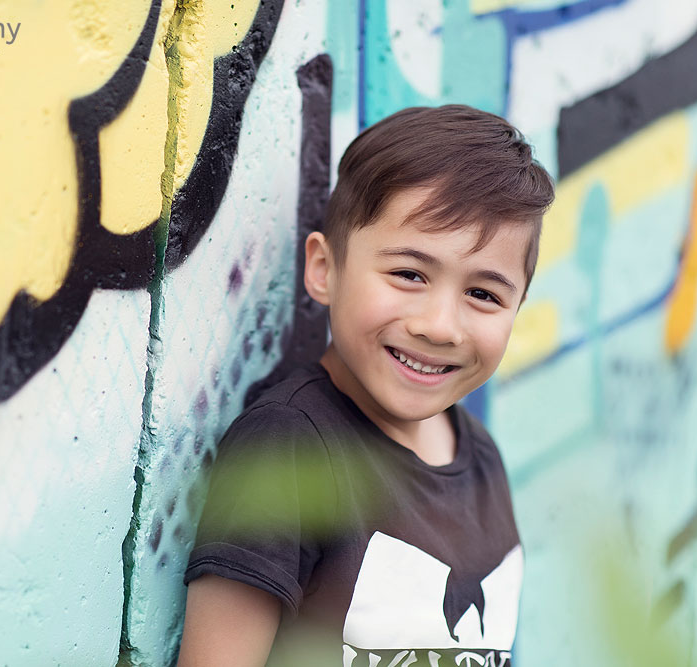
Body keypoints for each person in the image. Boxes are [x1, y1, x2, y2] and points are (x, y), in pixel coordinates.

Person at [177, 105, 555, 666]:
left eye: (484, 294)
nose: (439, 325)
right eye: (409, 274)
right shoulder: (289, 445)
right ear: (325, 269)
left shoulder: (481, 456)